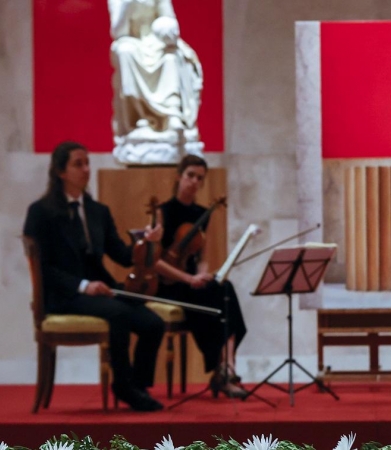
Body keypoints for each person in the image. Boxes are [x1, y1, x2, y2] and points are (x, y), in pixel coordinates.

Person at [23, 141, 166, 412]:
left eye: (87, 163)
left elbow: (122, 256)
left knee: (152, 323)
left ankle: (137, 386)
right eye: (78, 164)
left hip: (100, 289)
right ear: (60, 171)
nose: (86, 169)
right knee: (119, 313)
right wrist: (83, 286)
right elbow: (44, 268)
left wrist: (145, 242)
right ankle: (124, 386)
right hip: (65, 294)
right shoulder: (41, 212)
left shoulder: (97, 211)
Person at [155, 155, 248, 398]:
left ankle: (228, 367)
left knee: (224, 289)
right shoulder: (163, 212)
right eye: (190, 176)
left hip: (191, 281)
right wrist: (188, 279)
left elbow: (202, 255)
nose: (194, 182)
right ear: (179, 176)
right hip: (169, 283)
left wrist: (203, 273)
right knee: (210, 304)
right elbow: (156, 262)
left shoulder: (202, 214)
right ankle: (222, 372)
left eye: (200, 178)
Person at [109, 0, 204, 163]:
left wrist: (167, 28)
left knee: (171, 57)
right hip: (132, 42)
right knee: (125, 51)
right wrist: (127, 4)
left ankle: (171, 115)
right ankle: (140, 119)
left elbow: (168, 18)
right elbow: (118, 32)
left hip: (157, 42)